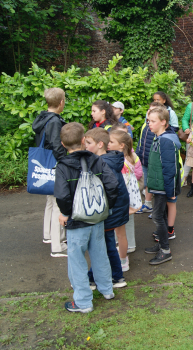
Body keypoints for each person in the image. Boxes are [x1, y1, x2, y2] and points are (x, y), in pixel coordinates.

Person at [54, 122, 119, 313]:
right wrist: (105, 207)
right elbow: (112, 185)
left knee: (77, 260)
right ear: (83, 140)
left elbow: (62, 195)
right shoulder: (96, 160)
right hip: (97, 219)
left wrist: (65, 213)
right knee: (100, 254)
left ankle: (83, 301)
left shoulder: (63, 166)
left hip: (77, 222)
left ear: (63, 143)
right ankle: (107, 289)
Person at [83, 128, 129, 289]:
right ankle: (109, 276)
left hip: (108, 212)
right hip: (111, 211)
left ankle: (110, 277)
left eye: (88, 143)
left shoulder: (103, 164)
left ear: (100, 144)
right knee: (105, 244)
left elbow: (110, 190)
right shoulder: (107, 161)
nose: (85, 146)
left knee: (105, 245)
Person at [32, 87, 67, 257]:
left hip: (44, 167)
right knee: (57, 204)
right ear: (61, 102)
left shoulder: (43, 117)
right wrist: (65, 161)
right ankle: (57, 245)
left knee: (50, 201)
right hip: (55, 166)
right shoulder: (54, 121)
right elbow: (55, 145)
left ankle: (48, 235)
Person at [144, 107, 181, 265]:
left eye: (153, 121)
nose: (149, 124)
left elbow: (170, 168)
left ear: (164, 122)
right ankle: (161, 245)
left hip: (162, 187)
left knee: (158, 216)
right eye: (148, 121)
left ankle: (165, 251)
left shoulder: (165, 141)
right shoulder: (159, 137)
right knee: (161, 216)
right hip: (158, 185)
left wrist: (170, 190)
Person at [109, 129, 143, 256]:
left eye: (111, 141)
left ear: (121, 145)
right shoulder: (128, 156)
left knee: (121, 224)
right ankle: (129, 245)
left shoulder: (121, 161)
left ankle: (125, 246)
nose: (108, 143)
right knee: (127, 222)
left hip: (123, 198)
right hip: (129, 197)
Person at [135, 102, 165, 214]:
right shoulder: (145, 125)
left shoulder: (159, 129)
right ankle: (147, 204)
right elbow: (141, 142)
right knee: (145, 183)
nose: (150, 113)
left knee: (154, 185)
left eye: (154, 111)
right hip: (143, 159)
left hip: (153, 162)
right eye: (149, 110)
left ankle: (158, 211)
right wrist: (137, 156)